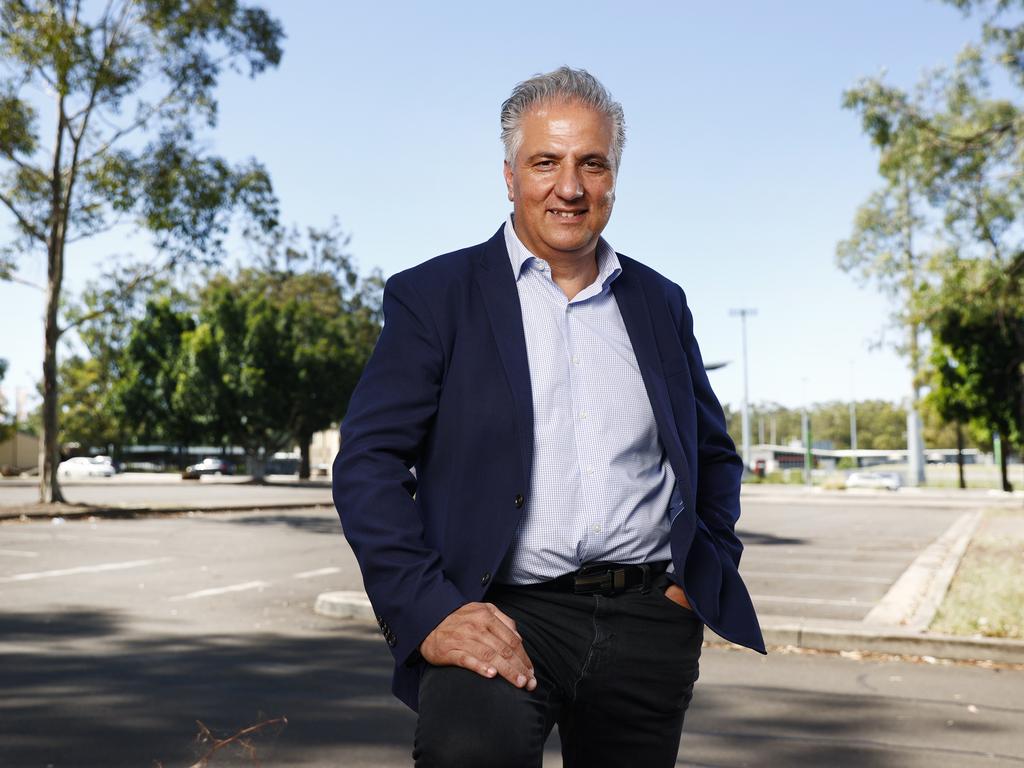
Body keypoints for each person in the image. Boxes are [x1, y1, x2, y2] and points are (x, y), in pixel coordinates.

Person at [332, 66, 765, 768]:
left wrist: (698, 574)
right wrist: (427, 610)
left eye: (591, 163)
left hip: (648, 620)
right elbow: (366, 467)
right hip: (502, 613)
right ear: (510, 176)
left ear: (614, 176)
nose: (570, 186)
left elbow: (711, 454)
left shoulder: (659, 303)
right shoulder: (435, 297)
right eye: (547, 163)